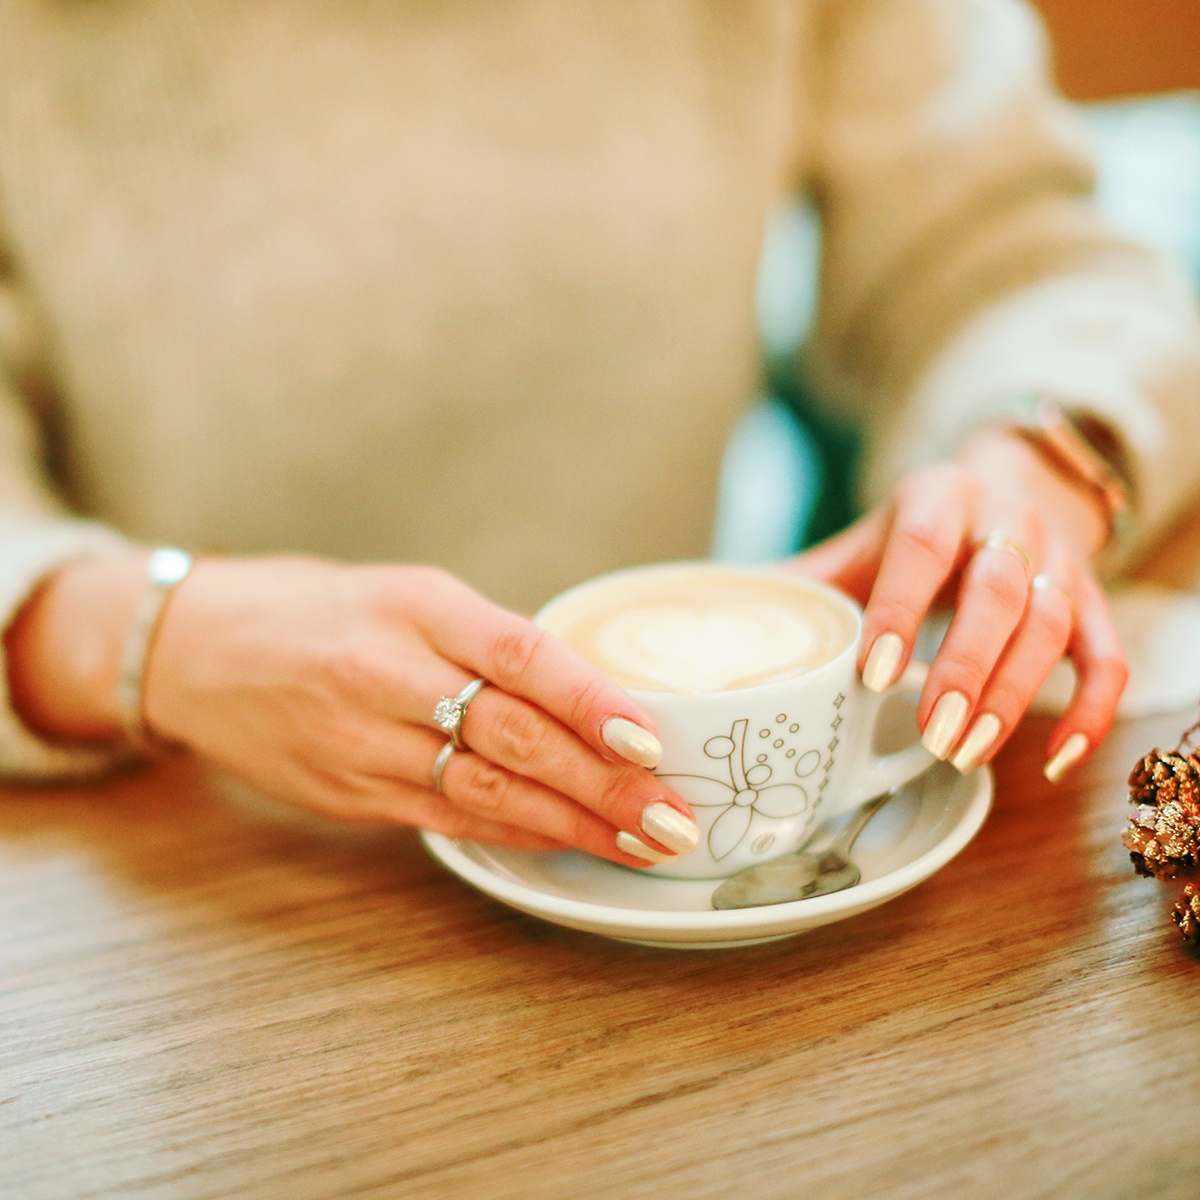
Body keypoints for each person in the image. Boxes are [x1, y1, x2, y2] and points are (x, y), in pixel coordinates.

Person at [0, 0, 1197, 869]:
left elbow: (1005, 252)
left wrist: (1040, 453)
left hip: (681, 885)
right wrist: (147, 639)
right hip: (183, 875)